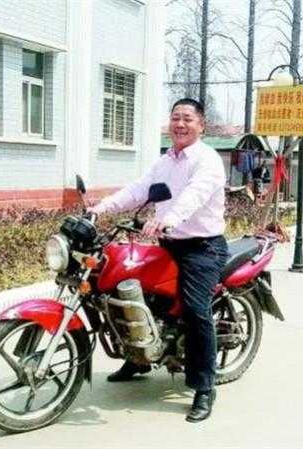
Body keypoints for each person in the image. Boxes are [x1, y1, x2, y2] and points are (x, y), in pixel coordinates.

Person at [88, 98, 228, 423]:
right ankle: (139, 358)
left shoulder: (207, 160)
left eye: (187, 119)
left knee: (195, 310)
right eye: (175, 118)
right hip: (169, 243)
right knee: (134, 293)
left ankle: (204, 386)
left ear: (201, 125)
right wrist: (99, 209)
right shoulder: (165, 161)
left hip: (202, 248)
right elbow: (138, 190)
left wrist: (169, 219)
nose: (180, 124)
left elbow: (194, 195)